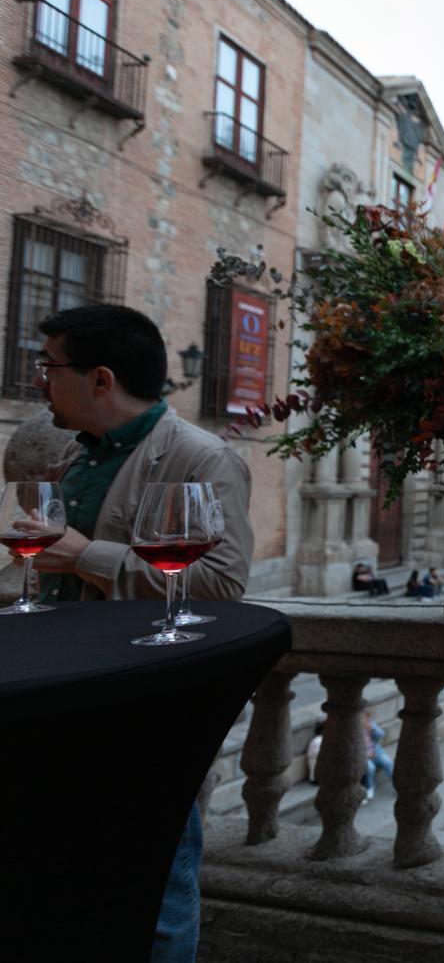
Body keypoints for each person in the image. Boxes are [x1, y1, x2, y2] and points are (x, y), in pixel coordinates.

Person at [11, 304, 254, 963]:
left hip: (141, 713)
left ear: (99, 378)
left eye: (49, 367)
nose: (40, 382)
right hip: (57, 700)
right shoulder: (73, 454)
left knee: (159, 884)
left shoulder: (202, 457)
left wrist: (86, 556)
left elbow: (222, 584)